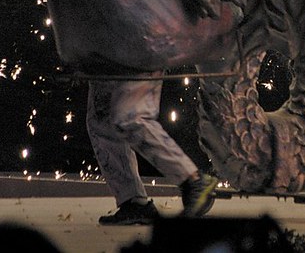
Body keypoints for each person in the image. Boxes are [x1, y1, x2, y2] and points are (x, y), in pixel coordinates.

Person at [87, 75, 218, 225]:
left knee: (131, 118)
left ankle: (193, 179)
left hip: (135, 55)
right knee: (102, 120)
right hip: (106, 59)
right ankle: (133, 201)